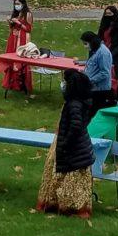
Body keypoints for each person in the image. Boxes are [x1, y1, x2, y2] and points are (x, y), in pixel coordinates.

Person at [36, 69, 95, 218]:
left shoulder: (74, 104)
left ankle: (71, 207)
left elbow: (75, 127)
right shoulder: (80, 102)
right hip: (76, 146)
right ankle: (63, 204)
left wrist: (66, 142)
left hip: (73, 147)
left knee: (69, 178)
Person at [2, 0, 34, 93]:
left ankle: (21, 84)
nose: (16, 6)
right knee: (11, 58)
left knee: (20, 58)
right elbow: (12, 26)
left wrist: (19, 23)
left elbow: (28, 29)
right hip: (13, 37)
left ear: (23, 4)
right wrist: (10, 22)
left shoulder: (27, 14)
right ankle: (11, 83)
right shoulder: (16, 13)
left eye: (18, 4)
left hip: (22, 38)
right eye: (15, 4)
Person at [98, 5, 118, 101]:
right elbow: (99, 37)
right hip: (104, 53)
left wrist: (111, 54)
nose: (108, 16)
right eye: (106, 14)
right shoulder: (104, 25)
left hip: (117, 57)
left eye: (110, 14)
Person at [79, 30, 116, 112]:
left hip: (100, 89)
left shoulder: (103, 53)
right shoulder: (95, 50)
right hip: (93, 87)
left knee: (95, 112)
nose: (85, 46)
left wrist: (89, 80)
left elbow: (104, 72)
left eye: (86, 44)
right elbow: (93, 65)